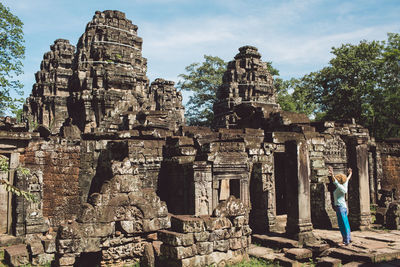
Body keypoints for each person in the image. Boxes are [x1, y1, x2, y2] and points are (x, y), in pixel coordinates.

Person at [328, 166, 352, 246]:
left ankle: (346, 241)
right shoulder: (345, 184)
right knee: (346, 223)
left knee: (342, 225)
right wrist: (349, 174)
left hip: (340, 207)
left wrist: (332, 174)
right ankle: (348, 238)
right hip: (344, 207)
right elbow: (347, 179)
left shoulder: (340, 187)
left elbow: (335, 182)